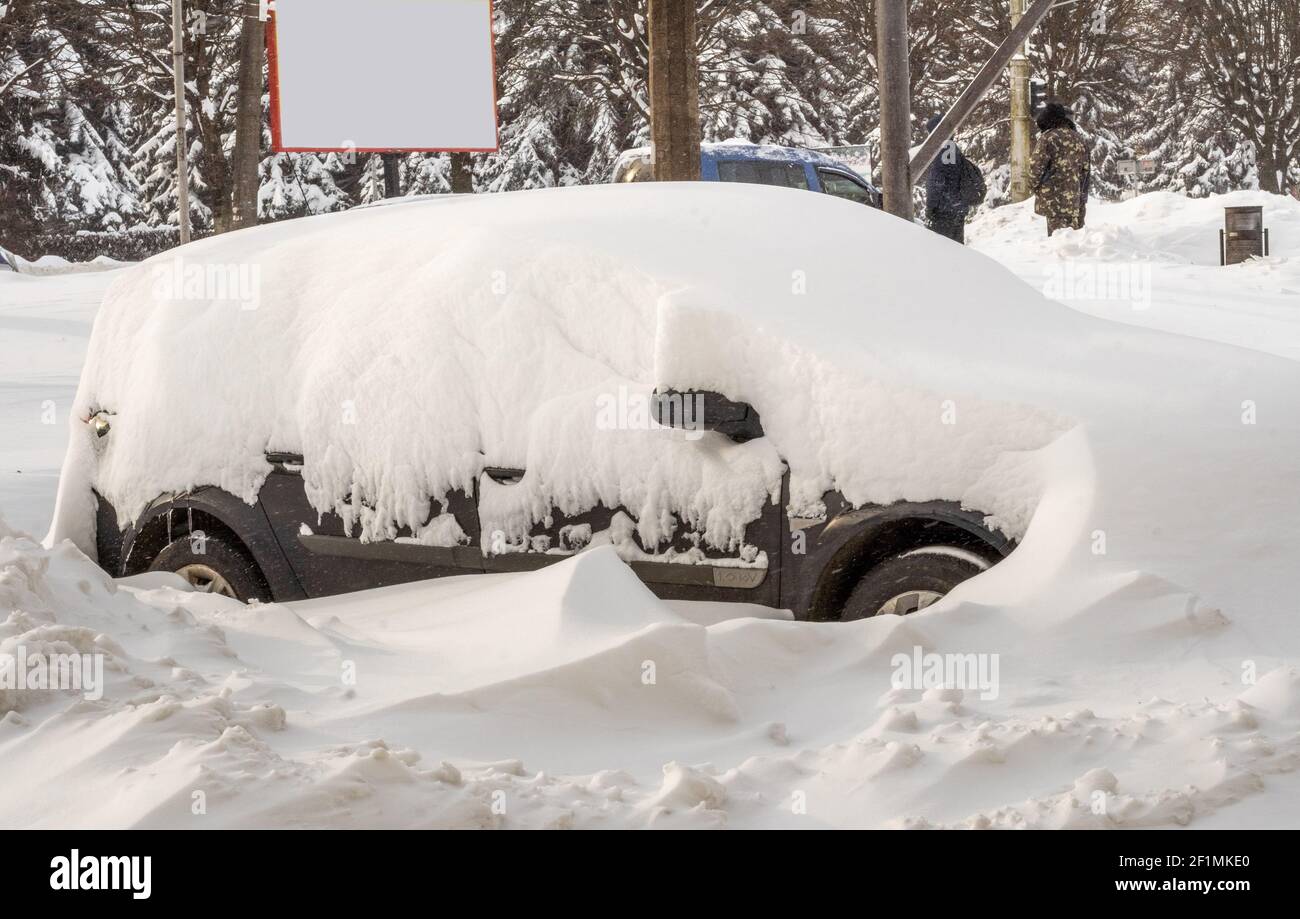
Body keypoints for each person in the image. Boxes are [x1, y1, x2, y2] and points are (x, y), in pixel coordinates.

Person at [923, 115, 986, 244]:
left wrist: (930, 208)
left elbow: (940, 182)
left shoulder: (944, 149)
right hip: (955, 209)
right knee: (955, 249)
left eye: (930, 132)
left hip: (944, 211)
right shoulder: (950, 147)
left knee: (944, 251)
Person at [1030, 102, 1091, 236]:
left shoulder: (1048, 138)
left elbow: (1035, 168)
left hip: (1053, 201)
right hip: (1075, 199)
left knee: (1058, 243)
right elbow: (1086, 171)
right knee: (1074, 241)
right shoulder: (1080, 139)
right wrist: (1081, 197)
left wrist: (1035, 186)